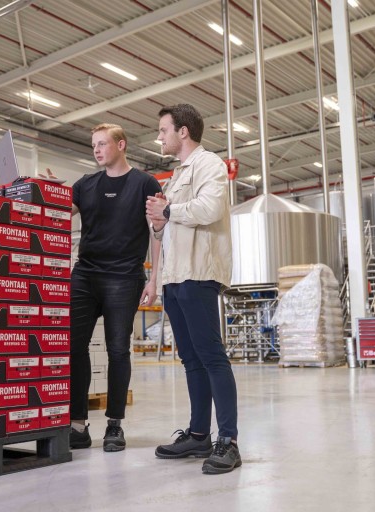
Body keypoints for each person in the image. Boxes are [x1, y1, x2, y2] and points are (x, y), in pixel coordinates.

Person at [145, 104, 241, 474]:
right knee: (191, 359)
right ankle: (200, 434)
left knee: (212, 356)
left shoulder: (210, 165)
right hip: (174, 275)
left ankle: (228, 440)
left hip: (199, 272)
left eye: (164, 130)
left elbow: (210, 208)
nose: (160, 136)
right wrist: (157, 219)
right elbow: (167, 226)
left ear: (183, 131)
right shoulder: (175, 176)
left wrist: (168, 211)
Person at [69, 123, 162, 452]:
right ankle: (77, 425)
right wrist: (45, 190)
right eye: (93, 144)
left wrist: (154, 279)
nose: (96, 150)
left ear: (121, 145)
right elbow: (59, 213)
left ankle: (114, 425)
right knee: (72, 345)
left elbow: (156, 231)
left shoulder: (144, 183)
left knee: (118, 350)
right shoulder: (85, 185)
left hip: (124, 277)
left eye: (102, 144)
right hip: (85, 274)